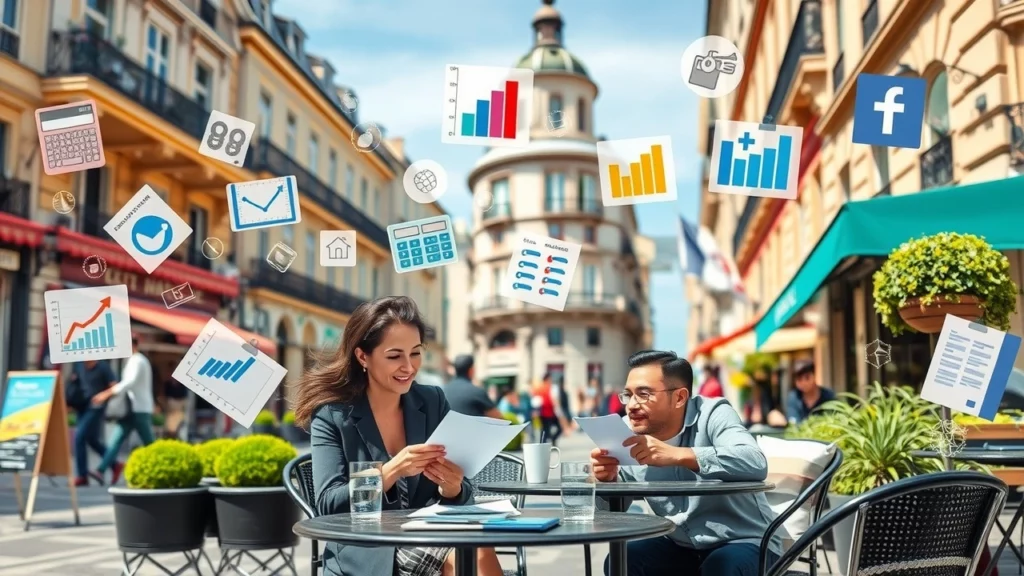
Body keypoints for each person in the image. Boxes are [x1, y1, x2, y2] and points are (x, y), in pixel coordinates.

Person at [294, 296, 503, 576]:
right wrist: (392, 470)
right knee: (470, 557)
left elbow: (461, 493)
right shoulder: (332, 415)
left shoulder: (432, 401)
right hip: (368, 545)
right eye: (395, 356)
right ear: (362, 356)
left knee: (475, 551)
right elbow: (328, 505)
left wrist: (452, 487)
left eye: (415, 353)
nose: (409, 367)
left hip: (427, 532)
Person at [590, 350, 781, 576]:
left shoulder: (713, 413)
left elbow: (755, 462)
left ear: (680, 397)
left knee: (720, 567)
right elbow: (613, 511)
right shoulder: (626, 432)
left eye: (643, 394)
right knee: (621, 561)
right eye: (628, 395)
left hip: (745, 541)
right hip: (680, 545)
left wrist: (680, 454)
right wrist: (607, 480)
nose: (631, 405)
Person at [90, 336, 155, 484]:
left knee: (149, 443)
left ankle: (164, 466)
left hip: (139, 409)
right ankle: (101, 470)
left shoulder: (138, 360)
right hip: (131, 410)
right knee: (116, 440)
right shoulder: (132, 361)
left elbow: (129, 383)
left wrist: (107, 393)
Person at [69, 360, 116, 486]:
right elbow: (74, 384)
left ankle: (82, 475)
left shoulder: (102, 367)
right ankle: (114, 463)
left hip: (96, 407)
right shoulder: (78, 365)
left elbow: (114, 385)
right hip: (82, 407)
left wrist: (103, 396)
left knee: (79, 437)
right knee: (91, 439)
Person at [442, 355, 504, 420]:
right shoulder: (477, 392)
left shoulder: (442, 391)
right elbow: (497, 417)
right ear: (471, 370)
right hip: (471, 429)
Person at [786, 360, 835, 424]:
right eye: (799, 379)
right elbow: (793, 423)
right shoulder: (794, 397)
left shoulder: (829, 396)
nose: (804, 383)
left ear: (814, 375)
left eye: (807, 378)